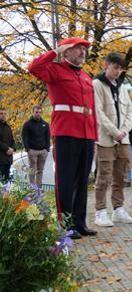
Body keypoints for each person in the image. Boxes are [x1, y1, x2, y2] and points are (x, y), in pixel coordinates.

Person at [28, 37, 98, 239]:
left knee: (82, 180)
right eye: (77, 49)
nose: (83, 52)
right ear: (66, 52)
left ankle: (80, 222)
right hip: (66, 132)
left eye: (84, 49)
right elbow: (33, 67)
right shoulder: (55, 71)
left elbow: (91, 109)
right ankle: (65, 224)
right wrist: (55, 51)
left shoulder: (85, 76)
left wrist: (94, 136)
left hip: (86, 133)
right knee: (65, 180)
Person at [92, 52, 132, 227]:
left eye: (120, 68)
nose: (118, 71)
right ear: (107, 65)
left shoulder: (122, 86)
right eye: (115, 67)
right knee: (104, 176)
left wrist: (124, 131)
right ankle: (100, 211)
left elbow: (130, 112)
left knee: (121, 174)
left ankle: (118, 209)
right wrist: (114, 131)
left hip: (123, 140)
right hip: (105, 139)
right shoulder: (97, 84)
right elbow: (98, 112)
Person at [21, 106, 50, 186]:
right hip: (32, 151)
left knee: (40, 171)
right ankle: (32, 189)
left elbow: (48, 137)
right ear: (33, 112)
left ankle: (39, 189)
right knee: (32, 171)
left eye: (40, 112)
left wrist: (47, 150)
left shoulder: (45, 124)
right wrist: (28, 150)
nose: (38, 114)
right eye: (36, 112)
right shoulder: (27, 124)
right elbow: (24, 137)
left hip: (43, 151)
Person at [0, 108, 15, 183]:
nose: (3, 115)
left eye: (4, 114)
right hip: (1, 158)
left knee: (7, 181)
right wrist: (7, 148)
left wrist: (13, 149)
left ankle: (6, 194)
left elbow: (12, 140)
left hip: (8, 159)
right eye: (1, 113)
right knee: (2, 181)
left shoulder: (8, 127)